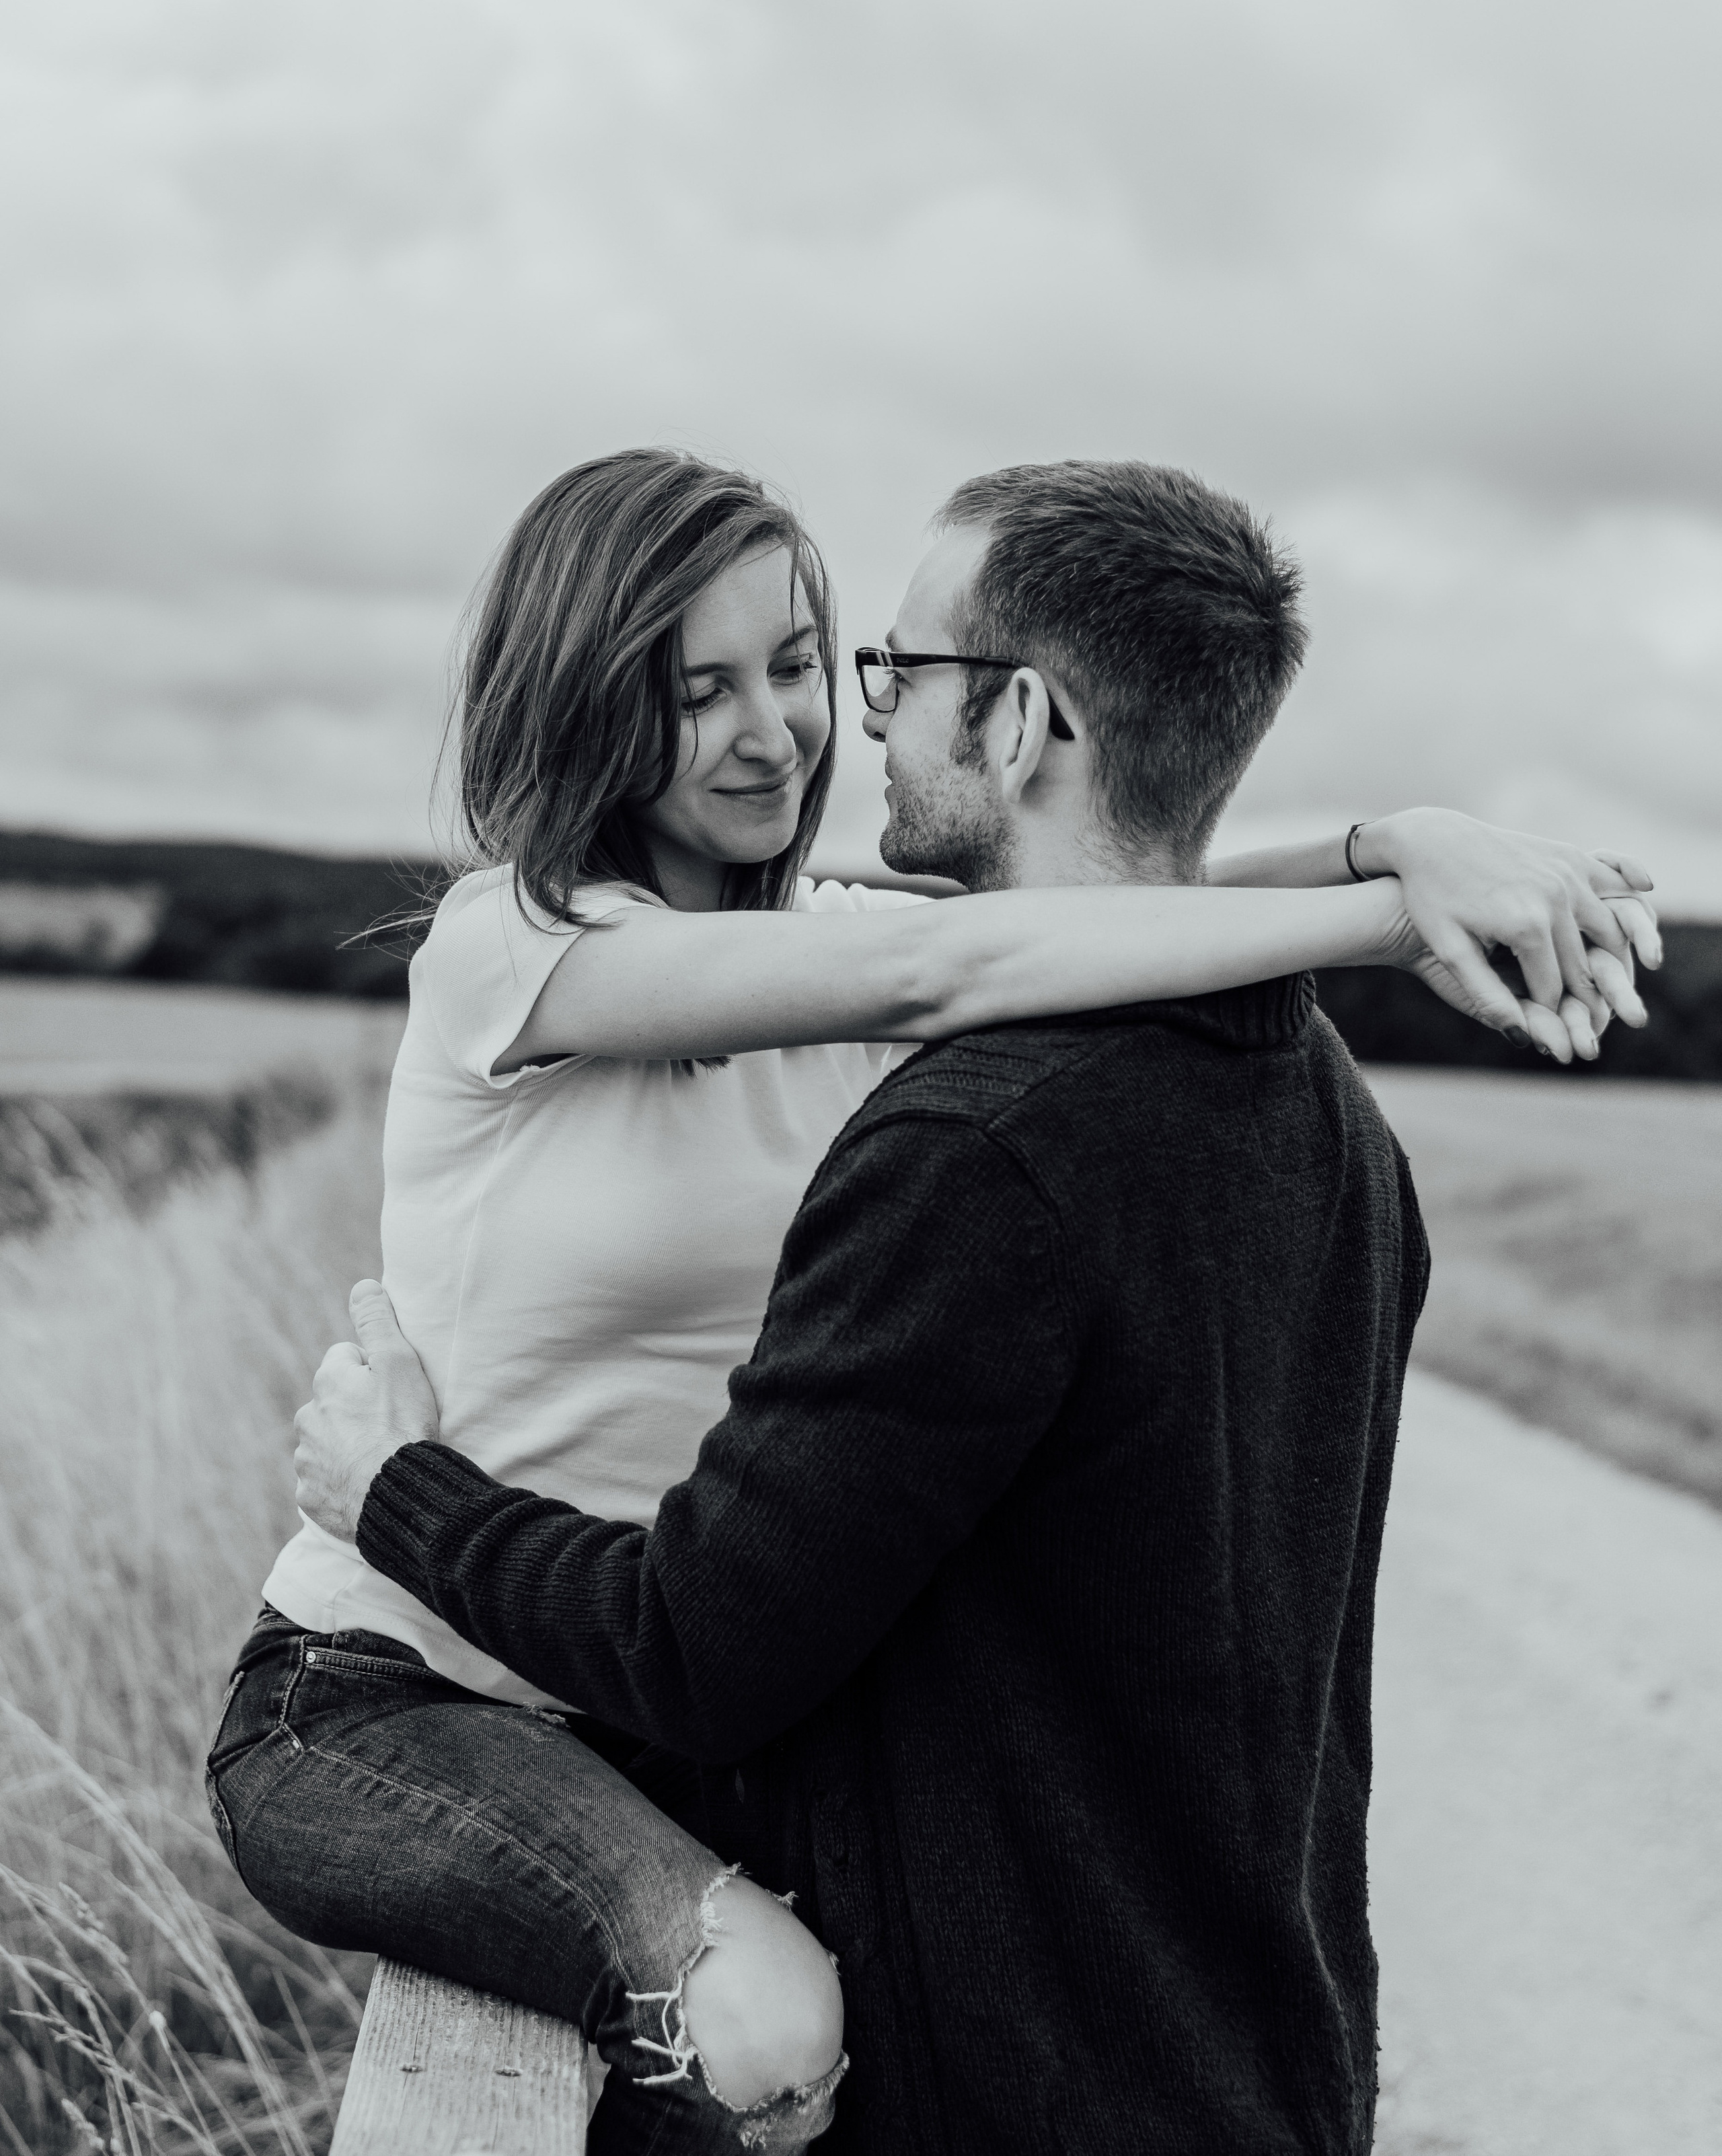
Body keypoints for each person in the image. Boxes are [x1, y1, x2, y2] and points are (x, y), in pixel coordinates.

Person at [214, 452, 1653, 2156]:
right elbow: (958, 956)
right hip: (411, 1674)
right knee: (765, 2031)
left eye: (797, 665)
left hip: (634, 1683)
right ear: (590, 704)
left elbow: (1084, 909)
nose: (778, 731)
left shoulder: (831, 956)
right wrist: (1388, 919)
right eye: (697, 690)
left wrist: (1392, 843)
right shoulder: (510, 946)